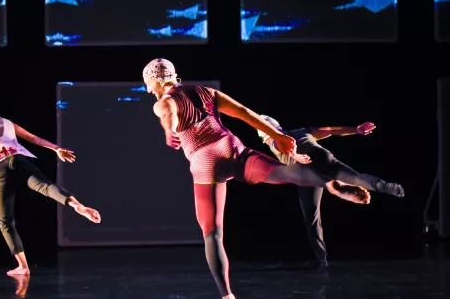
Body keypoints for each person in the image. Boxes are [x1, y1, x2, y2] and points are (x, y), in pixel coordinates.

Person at [142, 58, 370, 299]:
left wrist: (170, 132)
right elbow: (244, 113)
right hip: (230, 146)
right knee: (282, 172)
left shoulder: (163, 101)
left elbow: (169, 115)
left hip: (205, 160)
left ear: (153, 83)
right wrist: (276, 135)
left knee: (212, 233)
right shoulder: (206, 92)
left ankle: (227, 295)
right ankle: (327, 183)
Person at [0, 87, 101, 276]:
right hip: (18, 159)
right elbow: (33, 138)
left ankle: (23, 267)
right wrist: (57, 148)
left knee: (6, 221)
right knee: (44, 186)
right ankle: (77, 205)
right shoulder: (7, 123)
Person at [257, 115, 405, 267]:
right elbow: (332, 130)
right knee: (354, 178)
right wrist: (356, 130)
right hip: (322, 156)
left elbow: (280, 146)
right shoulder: (302, 131)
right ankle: (382, 185)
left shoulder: (274, 140)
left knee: (312, 216)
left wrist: (296, 156)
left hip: (305, 169)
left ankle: (321, 259)